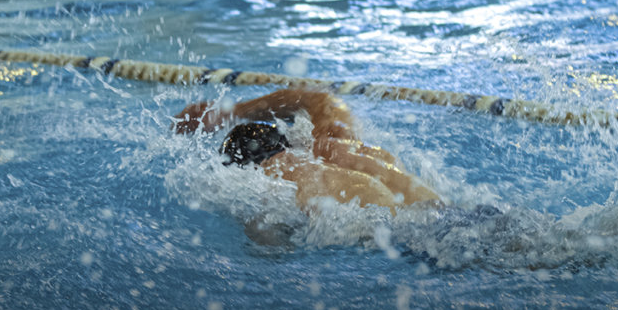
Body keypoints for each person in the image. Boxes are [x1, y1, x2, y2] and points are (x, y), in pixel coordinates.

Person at [173, 88, 443, 216]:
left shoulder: (273, 181)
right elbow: (320, 99)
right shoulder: (336, 141)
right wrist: (233, 112)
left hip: (409, 237)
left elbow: (272, 252)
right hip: (446, 210)